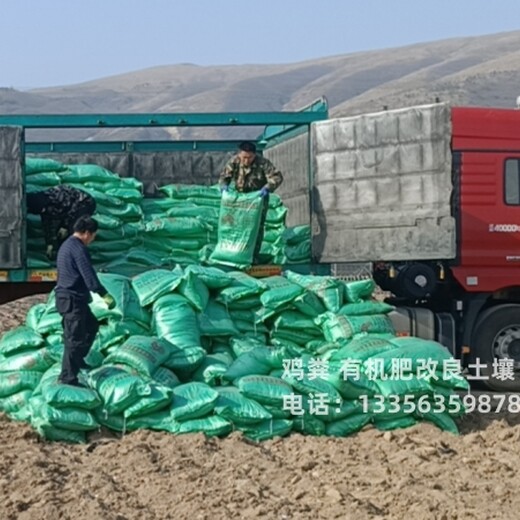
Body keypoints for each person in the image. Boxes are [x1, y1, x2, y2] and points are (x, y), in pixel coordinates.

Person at [55, 215, 115, 386]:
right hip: (72, 299)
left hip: (69, 298)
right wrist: (103, 294)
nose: (93, 239)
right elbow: (88, 275)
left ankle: (78, 360)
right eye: (94, 235)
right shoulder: (78, 249)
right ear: (87, 233)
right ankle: (68, 377)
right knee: (74, 339)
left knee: (91, 326)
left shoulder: (67, 245)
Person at [219, 141, 283, 261]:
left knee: (256, 227)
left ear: (254, 155)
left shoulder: (263, 163)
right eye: (244, 157)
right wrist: (224, 186)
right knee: (236, 225)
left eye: (249, 158)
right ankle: (235, 253)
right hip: (240, 199)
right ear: (239, 155)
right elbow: (224, 177)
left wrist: (267, 187)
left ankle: (253, 256)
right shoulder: (234, 161)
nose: (246, 161)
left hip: (257, 200)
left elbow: (277, 177)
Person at [27, 185, 96, 260]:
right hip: (68, 212)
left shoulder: (56, 196)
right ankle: (63, 258)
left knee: (73, 230)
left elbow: (73, 208)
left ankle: (78, 257)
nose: (44, 211)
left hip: (84, 203)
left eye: (44, 209)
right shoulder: (45, 209)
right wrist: (49, 244)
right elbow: (47, 226)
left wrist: (65, 226)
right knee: (60, 235)